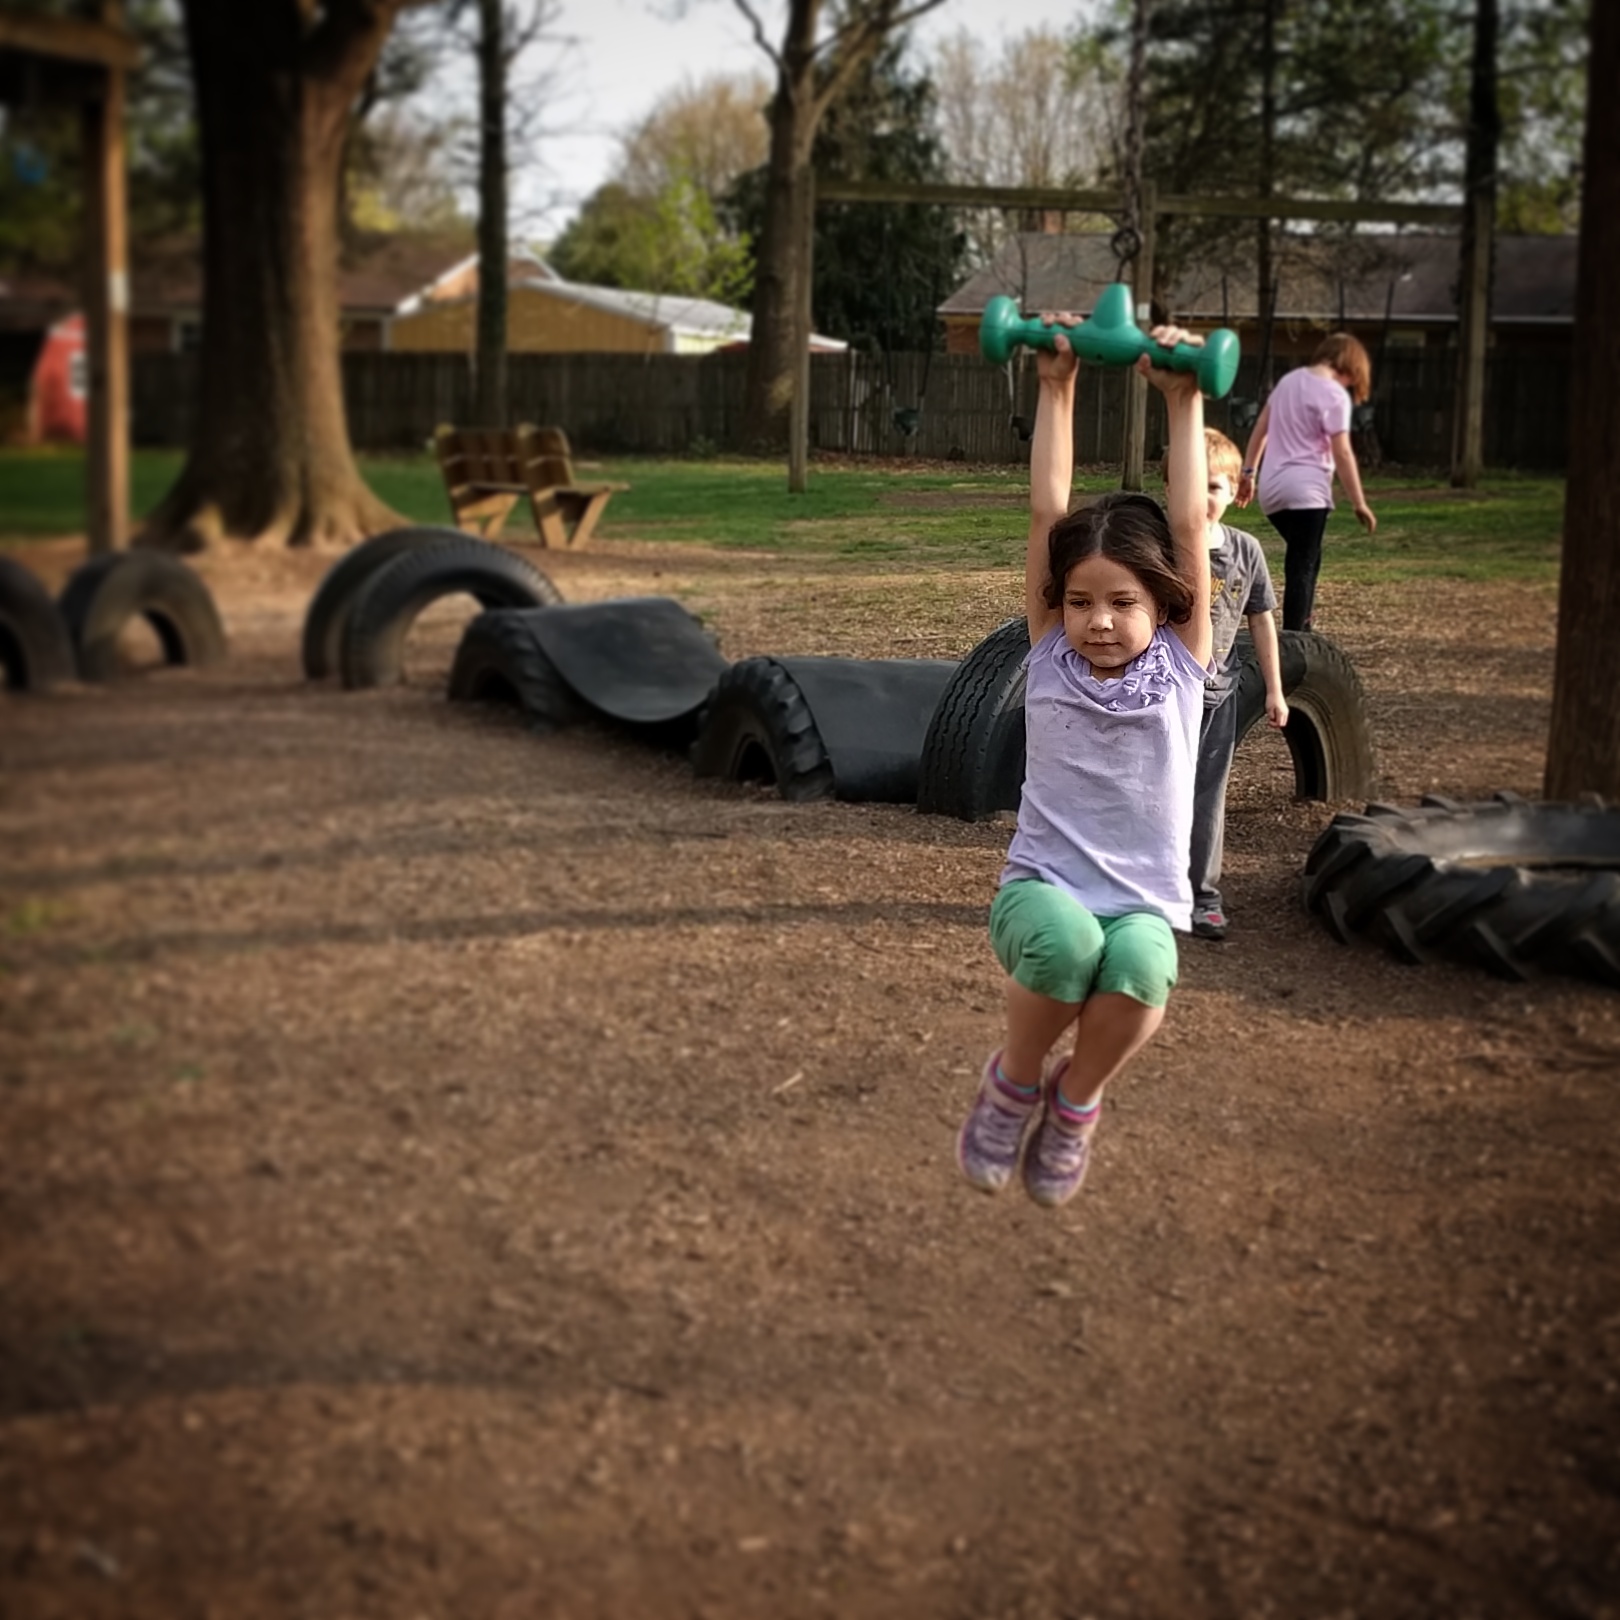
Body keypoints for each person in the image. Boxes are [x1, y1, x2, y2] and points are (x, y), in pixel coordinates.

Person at [955, 318, 1214, 1210]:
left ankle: (1075, 1103)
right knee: (1066, 948)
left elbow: (1189, 522)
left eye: (1122, 602)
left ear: (1164, 603)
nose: (1098, 620)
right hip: (1044, 885)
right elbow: (1047, 514)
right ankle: (1014, 1083)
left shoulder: (1181, 667)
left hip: (1141, 898)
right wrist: (1055, 388)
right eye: (1079, 601)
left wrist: (1183, 400)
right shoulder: (1050, 658)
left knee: (1143, 970)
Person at [1179, 427, 1290, 941]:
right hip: (1164, 695)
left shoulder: (1246, 551)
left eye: (1212, 486)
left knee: (1207, 796)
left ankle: (1203, 897)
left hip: (1218, 694)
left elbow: (1261, 621)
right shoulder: (1161, 547)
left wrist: (1274, 689)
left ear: (1234, 492)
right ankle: (1148, 890)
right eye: (1189, 484)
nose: (1201, 497)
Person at [1235, 333, 1377, 632]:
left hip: (1273, 491)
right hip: (1307, 492)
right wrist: (1359, 502)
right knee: (1302, 562)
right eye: (1353, 379)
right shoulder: (1334, 394)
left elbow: (1260, 429)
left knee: (1308, 555)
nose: (1350, 385)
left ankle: (1302, 628)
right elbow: (1343, 452)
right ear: (1349, 366)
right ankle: (1296, 636)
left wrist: (1248, 473)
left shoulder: (1289, 381)